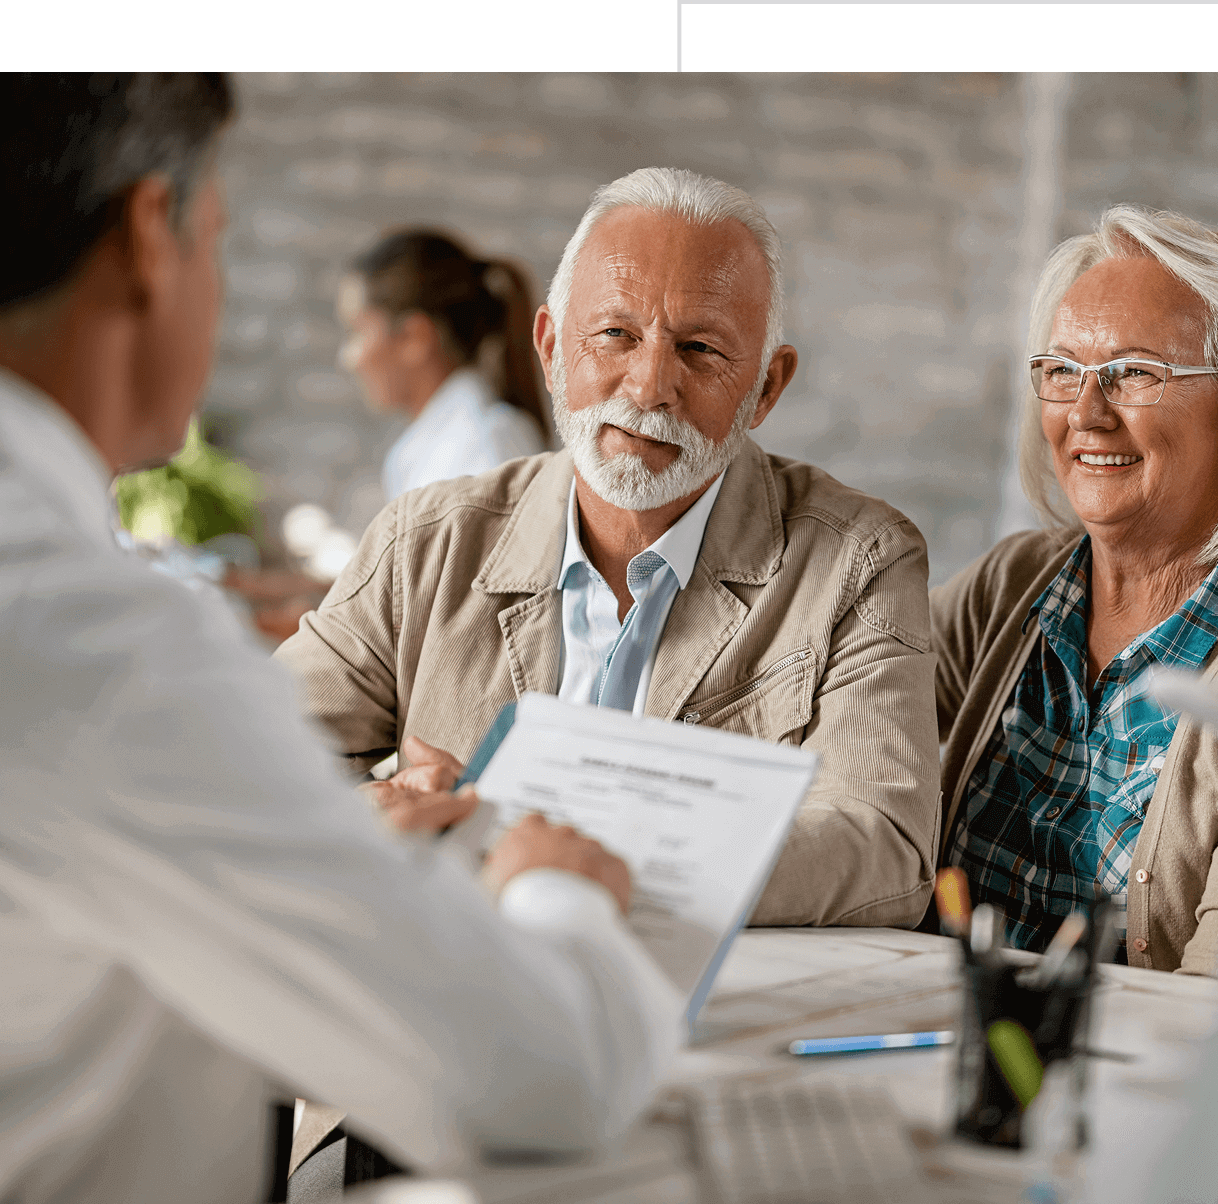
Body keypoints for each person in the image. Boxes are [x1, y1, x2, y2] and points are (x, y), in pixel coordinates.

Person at [0, 73, 683, 1204]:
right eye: (217, 237)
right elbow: (543, 1080)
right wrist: (556, 887)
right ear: (149, 235)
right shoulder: (101, 640)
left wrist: (309, 825)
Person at [276, 166, 942, 929]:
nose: (650, 384)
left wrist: (580, 862)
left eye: (699, 349)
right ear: (552, 348)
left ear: (766, 387)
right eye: (615, 335)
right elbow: (251, 756)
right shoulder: (423, 541)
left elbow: (884, 848)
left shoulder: (860, 562)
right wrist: (375, 812)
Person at [929, 205, 1218, 978]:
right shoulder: (1012, 585)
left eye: (1136, 372)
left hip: (1135, 1076)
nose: (1086, 414)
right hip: (936, 1037)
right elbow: (838, 703)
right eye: (1063, 371)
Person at [338, 230, 547, 501]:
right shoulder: (437, 445)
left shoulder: (486, 445)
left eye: (359, 333)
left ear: (415, 338)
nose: (350, 358)